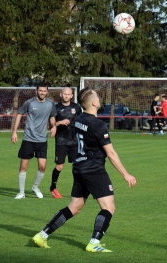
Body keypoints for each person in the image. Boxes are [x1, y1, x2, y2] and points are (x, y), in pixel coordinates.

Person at [32, 87, 136, 252]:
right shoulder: (98, 124)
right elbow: (111, 153)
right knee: (108, 207)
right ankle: (94, 242)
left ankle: (42, 235)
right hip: (93, 168)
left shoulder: (79, 118)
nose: (99, 99)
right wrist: (126, 174)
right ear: (94, 103)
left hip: (79, 167)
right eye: (97, 97)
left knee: (75, 207)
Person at [11, 83, 57, 199]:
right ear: (36, 91)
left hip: (42, 140)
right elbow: (19, 114)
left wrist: (54, 126)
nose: (42, 92)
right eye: (40, 90)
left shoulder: (51, 103)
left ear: (47, 92)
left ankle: (35, 187)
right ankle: (21, 192)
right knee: (23, 165)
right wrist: (14, 132)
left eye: (44, 91)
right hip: (28, 139)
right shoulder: (29, 102)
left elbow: (52, 117)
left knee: (42, 166)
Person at [49, 87, 82, 199]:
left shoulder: (76, 107)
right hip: (61, 141)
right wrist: (60, 122)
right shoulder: (56, 107)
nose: (66, 96)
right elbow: (51, 125)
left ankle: (78, 189)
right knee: (59, 166)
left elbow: (81, 121)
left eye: (69, 94)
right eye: (64, 94)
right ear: (60, 94)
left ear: (72, 95)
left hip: (74, 141)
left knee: (76, 165)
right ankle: (53, 187)